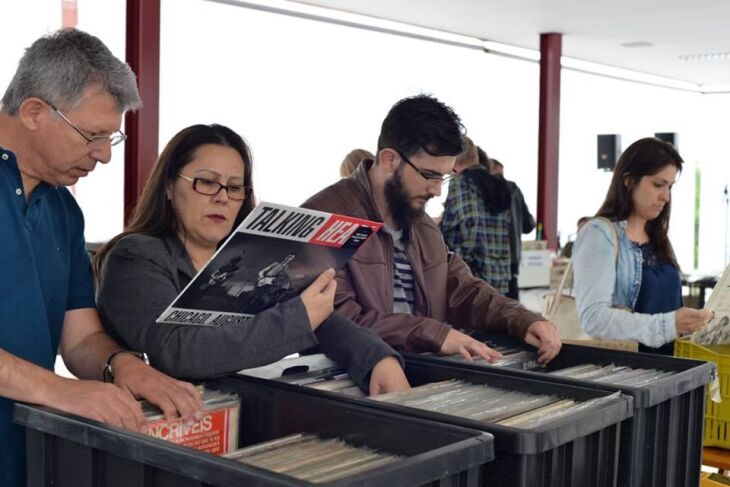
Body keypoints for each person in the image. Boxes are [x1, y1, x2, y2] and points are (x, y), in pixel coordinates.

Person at [0, 29, 201, 486]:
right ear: (34, 112)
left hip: (28, 452)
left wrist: (123, 366)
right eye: (91, 135)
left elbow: (80, 337)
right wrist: (61, 391)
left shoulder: (64, 211)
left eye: (112, 138)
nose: (104, 156)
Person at [95, 124, 410, 395]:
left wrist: (378, 358)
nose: (222, 196)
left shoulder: (250, 258)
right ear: (167, 186)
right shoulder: (136, 256)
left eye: (234, 187)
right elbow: (174, 350)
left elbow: (320, 322)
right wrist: (299, 318)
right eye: (206, 182)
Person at [302, 94, 561, 362]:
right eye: (429, 175)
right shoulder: (325, 218)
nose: (437, 191)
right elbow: (333, 321)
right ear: (390, 159)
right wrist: (435, 334)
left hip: (420, 374)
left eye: (445, 177)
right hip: (347, 382)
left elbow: (462, 289)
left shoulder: (422, 225)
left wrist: (522, 319)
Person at [572, 137, 712, 354]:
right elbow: (594, 318)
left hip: (673, 372)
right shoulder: (599, 234)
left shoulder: (658, 238)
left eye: (670, 187)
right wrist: (670, 324)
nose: (665, 196)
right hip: (629, 375)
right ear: (629, 181)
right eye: (658, 184)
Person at [440, 137, 512, 294]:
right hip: (499, 275)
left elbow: (472, 225)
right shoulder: (500, 185)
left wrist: (457, 266)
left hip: (473, 278)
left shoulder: (461, 182)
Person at [488, 155, 536, 300]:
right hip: (511, 256)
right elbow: (528, 225)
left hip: (486, 261)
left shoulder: (476, 190)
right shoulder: (513, 189)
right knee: (511, 309)